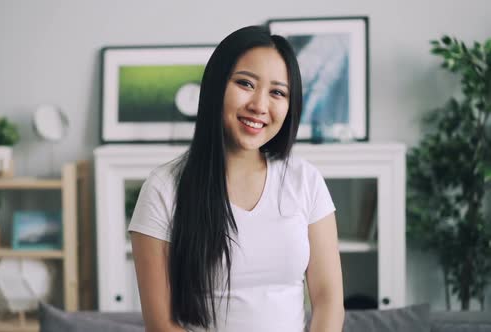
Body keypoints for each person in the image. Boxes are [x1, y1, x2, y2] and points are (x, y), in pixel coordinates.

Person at [128, 25, 344, 332]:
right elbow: (161, 324)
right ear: (216, 86)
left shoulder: (305, 181)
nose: (259, 105)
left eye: (277, 92)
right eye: (246, 84)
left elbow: (328, 299)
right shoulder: (163, 188)